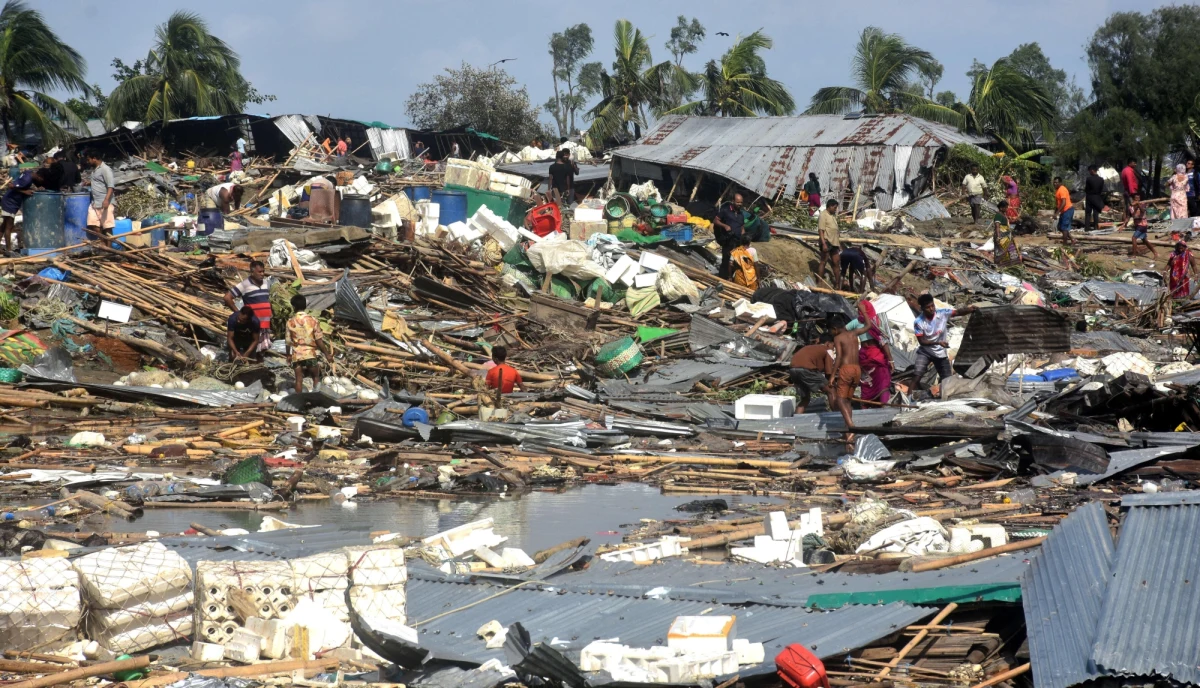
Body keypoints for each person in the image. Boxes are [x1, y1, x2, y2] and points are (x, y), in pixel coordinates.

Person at [910, 293, 977, 391]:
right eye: (928, 307)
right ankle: (908, 399)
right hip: (926, 352)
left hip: (941, 353)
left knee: (947, 380)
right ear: (923, 309)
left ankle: (944, 399)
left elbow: (958, 312)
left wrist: (969, 309)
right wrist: (938, 343)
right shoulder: (918, 322)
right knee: (917, 374)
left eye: (932, 305)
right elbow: (922, 341)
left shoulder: (942, 313)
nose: (932, 309)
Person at [224, 259, 273, 355]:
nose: (262, 274)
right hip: (252, 325)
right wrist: (237, 313)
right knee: (251, 351)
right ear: (252, 272)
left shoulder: (266, 283)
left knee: (261, 352)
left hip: (265, 325)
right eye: (259, 272)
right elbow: (227, 298)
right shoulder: (244, 285)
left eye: (263, 271)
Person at [286, 294, 332, 393]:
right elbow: (319, 340)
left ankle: (298, 403)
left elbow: (288, 341)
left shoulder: (290, 322)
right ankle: (315, 399)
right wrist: (327, 354)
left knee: (298, 380)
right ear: (305, 306)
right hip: (310, 354)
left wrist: (288, 355)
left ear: (293, 307)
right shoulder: (313, 320)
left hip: (296, 354)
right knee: (315, 378)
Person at [826, 313, 861, 437]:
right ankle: (849, 435)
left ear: (835, 329)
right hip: (857, 369)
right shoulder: (853, 334)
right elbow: (868, 326)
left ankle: (851, 427)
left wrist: (832, 376)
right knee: (847, 401)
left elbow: (839, 357)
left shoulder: (838, 337)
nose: (831, 333)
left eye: (831, 331)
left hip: (846, 369)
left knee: (840, 400)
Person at [854, 300, 894, 406]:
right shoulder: (876, 321)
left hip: (863, 357)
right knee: (883, 381)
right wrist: (890, 359)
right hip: (876, 355)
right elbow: (883, 342)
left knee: (867, 383)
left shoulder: (856, 322)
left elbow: (843, 331)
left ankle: (864, 407)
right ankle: (884, 404)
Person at [0, 168, 44, 254]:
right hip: (10, 203)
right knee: (9, 226)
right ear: (38, 176)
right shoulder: (27, 180)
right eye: (41, 179)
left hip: (10, 202)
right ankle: (9, 250)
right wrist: (24, 191)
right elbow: (11, 186)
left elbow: (24, 176)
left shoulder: (29, 173)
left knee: (4, 225)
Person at [789, 334, 834, 412]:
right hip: (807, 369)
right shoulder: (828, 349)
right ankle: (837, 414)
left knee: (805, 398)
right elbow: (828, 372)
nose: (833, 348)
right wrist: (829, 384)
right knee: (831, 391)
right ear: (828, 343)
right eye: (833, 345)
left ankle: (796, 418)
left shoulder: (809, 347)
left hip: (793, 369)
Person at [713, 193, 745, 279]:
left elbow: (742, 227)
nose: (740, 204)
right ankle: (722, 279)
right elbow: (716, 221)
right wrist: (725, 226)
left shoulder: (741, 214)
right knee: (726, 261)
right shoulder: (725, 211)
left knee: (735, 261)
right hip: (728, 241)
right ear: (733, 201)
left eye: (741, 202)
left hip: (738, 242)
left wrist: (743, 235)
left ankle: (732, 278)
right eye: (738, 202)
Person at [83, 149, 114, 238]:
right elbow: (99, 182)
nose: (88, 161)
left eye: (89, 159)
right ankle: (102, 245)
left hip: (105, 202)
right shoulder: (95, 170)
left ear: (94, 158)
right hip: (95, 202)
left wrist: (106, 200)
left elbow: (110, 186)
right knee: (93, 225)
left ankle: (108, 249)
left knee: (107, 227)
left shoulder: (105, 169)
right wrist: (90, 183)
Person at [816, 199, 842, 289]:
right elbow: (821, 231)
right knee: (824, 261)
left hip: (834, 243)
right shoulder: (823, 215)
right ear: (830, 206)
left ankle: (837, 284)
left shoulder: (832, 215)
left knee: (836, 262)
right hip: (826, 241)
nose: (835, 209)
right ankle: (819, 282)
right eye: (834, 207)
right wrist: (823, 244)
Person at [993, 200, 1022, 267]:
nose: (1006, 209)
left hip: (1007, 236)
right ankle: (1002, 265)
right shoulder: (998, 215)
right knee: (1002, 251)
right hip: (1002, 236)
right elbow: (997, 226)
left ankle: (1011, 264)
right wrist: (998, 236)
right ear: (1001, 208)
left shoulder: (1003, 215)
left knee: (1011, 249)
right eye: (1005, 207)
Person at [1128, 193, 1157, 258]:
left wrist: (1139, 204)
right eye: (1136, 198)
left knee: (1134, 238)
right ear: (1133, 199)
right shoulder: (1131, 207)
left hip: (1143, 224)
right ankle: (1155, 252)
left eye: (1139, 198)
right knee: (1145, 240)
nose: (1138, 200)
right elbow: (1131, 215)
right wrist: (1123, 225)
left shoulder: (1143, 204)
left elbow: (1143, 211)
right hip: (1137, 224)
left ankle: (1134, 254)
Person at [1053, 177, 1076, 246]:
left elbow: (1063, 203)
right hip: (1064, 211)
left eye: (1056, 182)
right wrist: (1055, 212)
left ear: (1060, 183)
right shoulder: (1057, 190)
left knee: (1064, 228)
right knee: (1060, 227)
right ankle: (1073, 239)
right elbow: (1058, 203)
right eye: (1054, 182)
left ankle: (1065, 245)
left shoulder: (1062, 190)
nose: (1055, 184)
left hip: (1067, 210)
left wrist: (1057, 213)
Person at [1083, 164, 1105, 232]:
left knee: (1088, 213)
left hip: (1090, 197)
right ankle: (1096, 227)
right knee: (1096, 213)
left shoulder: (1089, 179)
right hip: (1097, 197)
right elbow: (1101, 189)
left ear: (1092, 170)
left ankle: (1087, 228)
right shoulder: (1101, 179)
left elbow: (1087, 189)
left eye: (1089, 171)